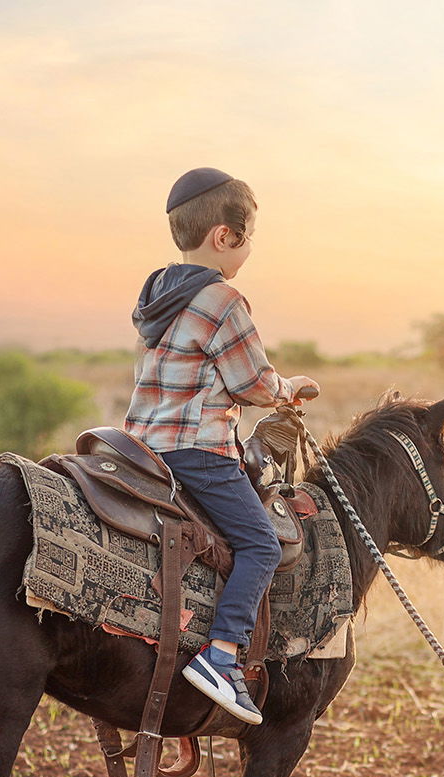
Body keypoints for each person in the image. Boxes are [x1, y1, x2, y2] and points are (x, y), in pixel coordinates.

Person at [126, 167, 320, 725]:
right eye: (249, 235)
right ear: (224, 237)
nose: (250, 247)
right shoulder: (221, 298)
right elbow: (254, 384)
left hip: (142, 446)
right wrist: (291, 389)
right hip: (195, 450)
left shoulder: (160, 293)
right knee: (261, 543)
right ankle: (221, 655)